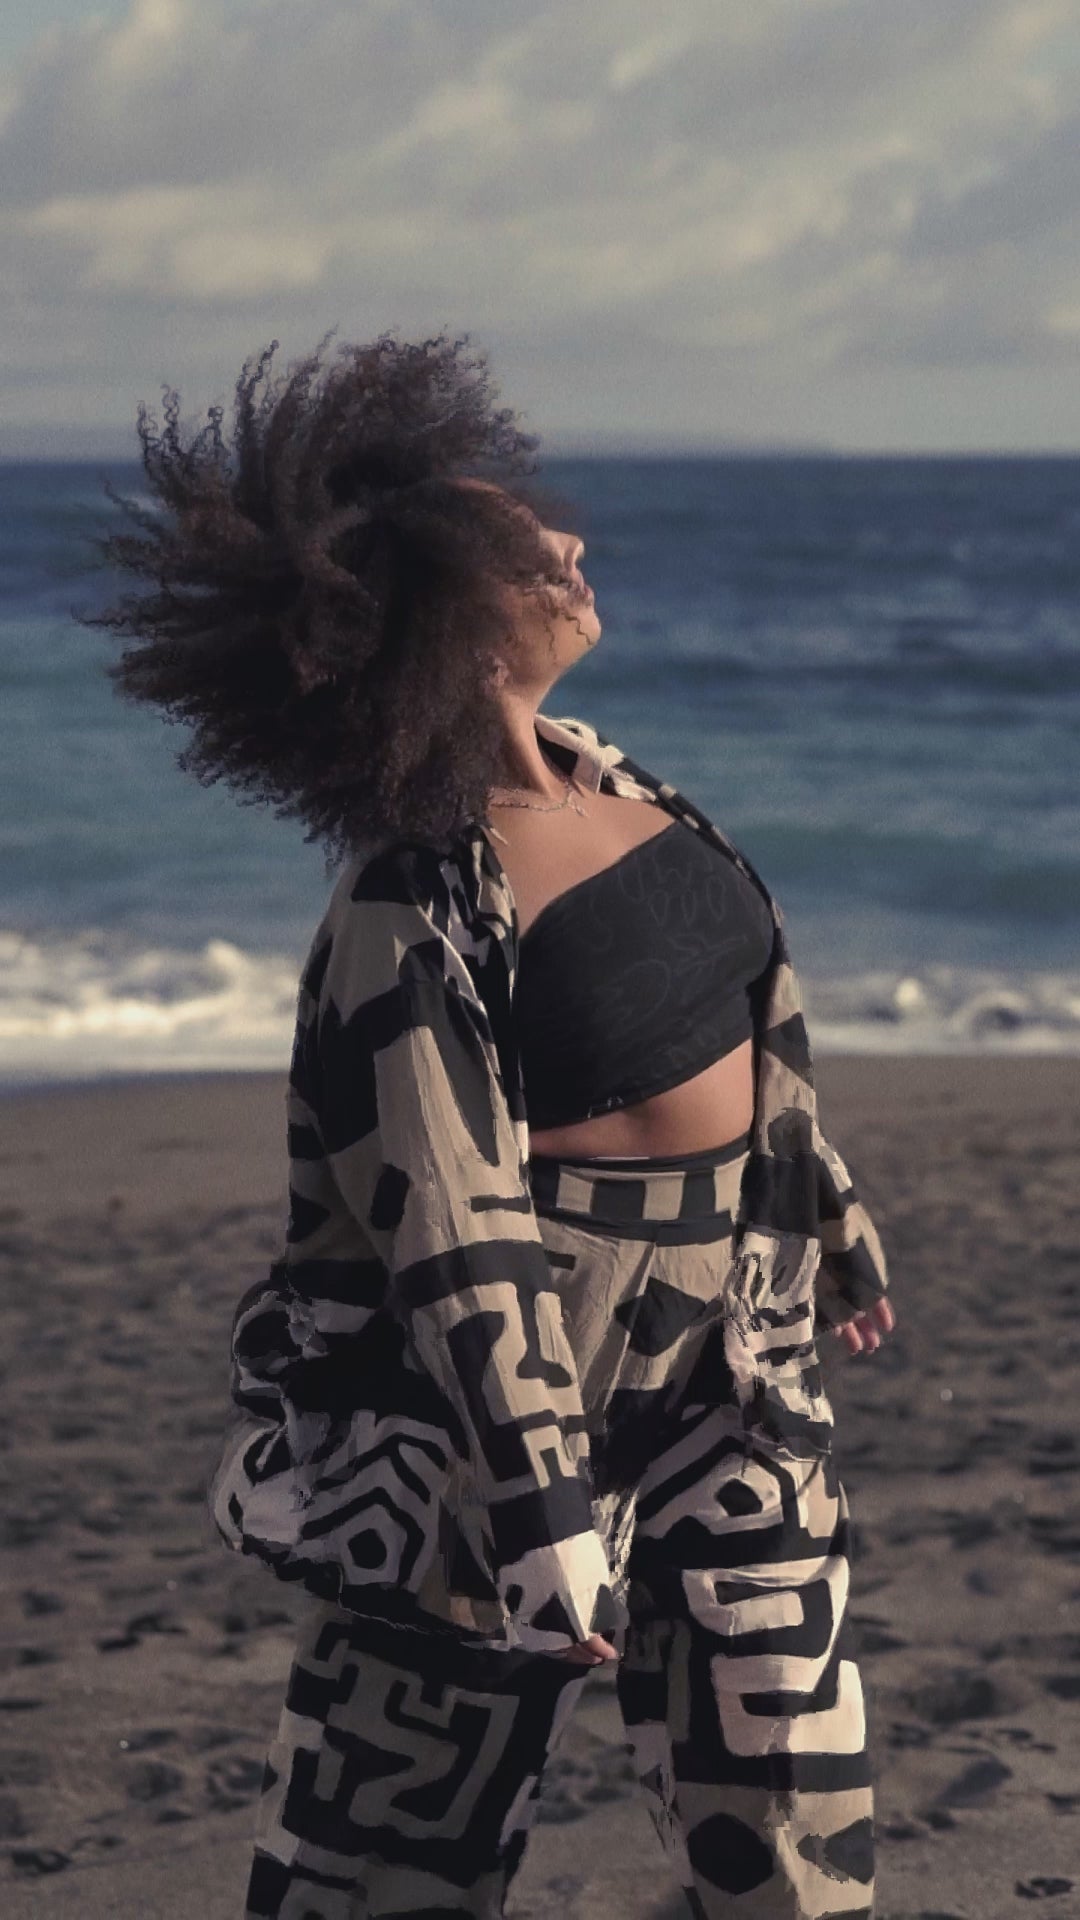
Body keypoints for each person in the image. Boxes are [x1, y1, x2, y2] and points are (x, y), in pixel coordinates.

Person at [93, 329, 895, 1919]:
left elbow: (743, 1027)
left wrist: (827, 1210)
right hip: (497, 1417)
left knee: (792, 1842)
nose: (572, 551)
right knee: (388, 1871)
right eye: (530, 552)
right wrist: (538, 1503)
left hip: (733, 1373)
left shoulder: (629, 787)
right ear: (453, 625)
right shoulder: (414, 897)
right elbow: (450, 1218)